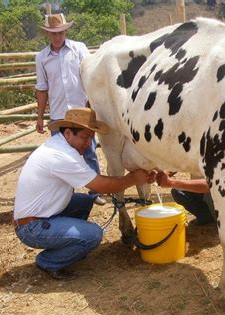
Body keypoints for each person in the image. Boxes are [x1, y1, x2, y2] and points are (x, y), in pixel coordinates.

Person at [13, 108, 156, 280]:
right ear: (67, 133)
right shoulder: (61, 156)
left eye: (90, 138)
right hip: (31, 228)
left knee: (84, 201)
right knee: (94, 234)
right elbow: (100, 186)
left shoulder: (59, 146)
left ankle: (70, 245)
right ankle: (49, 261)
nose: (88, 143)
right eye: (84, 137)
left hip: (37, 216)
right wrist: (133, 178)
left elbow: (94, 182)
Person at [34, 13, 106, 205]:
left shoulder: (79, 49)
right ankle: (65, 196)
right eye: (53, 33)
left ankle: (95, 191)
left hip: (81, 111)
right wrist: (40, 117)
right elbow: (42, 88)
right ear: (47, 34)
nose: (57, 36)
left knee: (88, 150)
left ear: (65, 31)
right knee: (61, 157)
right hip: (58, 115)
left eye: (60, 32)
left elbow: (90, 78)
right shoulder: (41, 57)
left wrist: (93, 108)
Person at [156, 172, 225, 226]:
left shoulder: (220, 149)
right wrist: (160, 174)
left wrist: (172, 182)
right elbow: (176, 164)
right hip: (205, 191)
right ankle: (206, 217)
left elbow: (210, 185)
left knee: (211, 192)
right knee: (177, 191)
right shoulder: (194, 147)